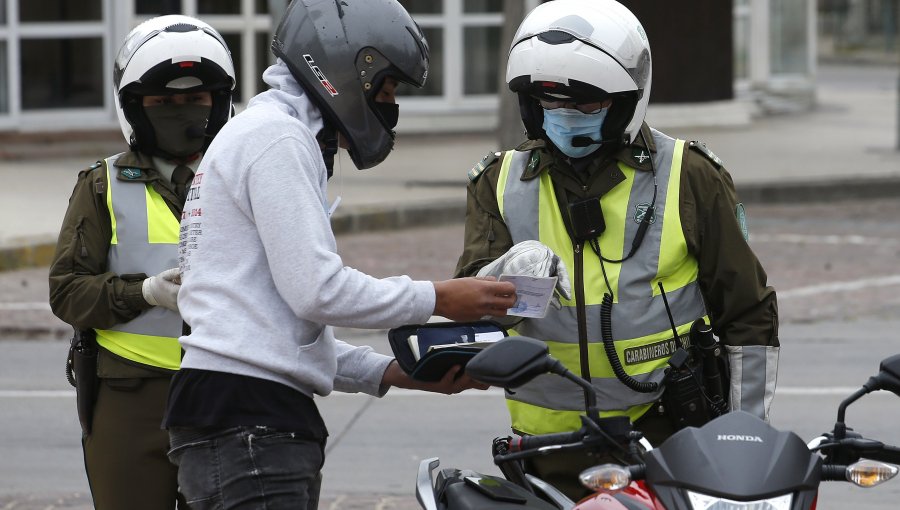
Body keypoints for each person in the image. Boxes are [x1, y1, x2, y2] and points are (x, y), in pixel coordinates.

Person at [161, 1, 517, 508]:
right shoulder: (277, 139)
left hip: (240, 413)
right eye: (387, 89)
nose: (389, 105)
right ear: (348, 67)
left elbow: (279, 333)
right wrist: (439, 298)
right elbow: (318, 292)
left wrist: (393, 371)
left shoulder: (269, 133)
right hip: (249, 424)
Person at [455, 0, 779, 499]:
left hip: (668, 442)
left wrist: (743, 444)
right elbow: (471, 330)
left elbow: (748, 314)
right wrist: (504, 281)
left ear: (628, 98)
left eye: (585, 103)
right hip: (546, 451)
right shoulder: (497, 184)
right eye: (550, 102)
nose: (565, 116)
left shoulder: (689, 176)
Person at [47, 14, 235, 510]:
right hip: (130, 398)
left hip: (229, 391)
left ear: (218, 103)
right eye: (164, 102)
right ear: (135, 106)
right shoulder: (102, 184)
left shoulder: (245, 177)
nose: (181, 111)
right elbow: (67, 292)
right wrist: (144, 292)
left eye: (195, 99)